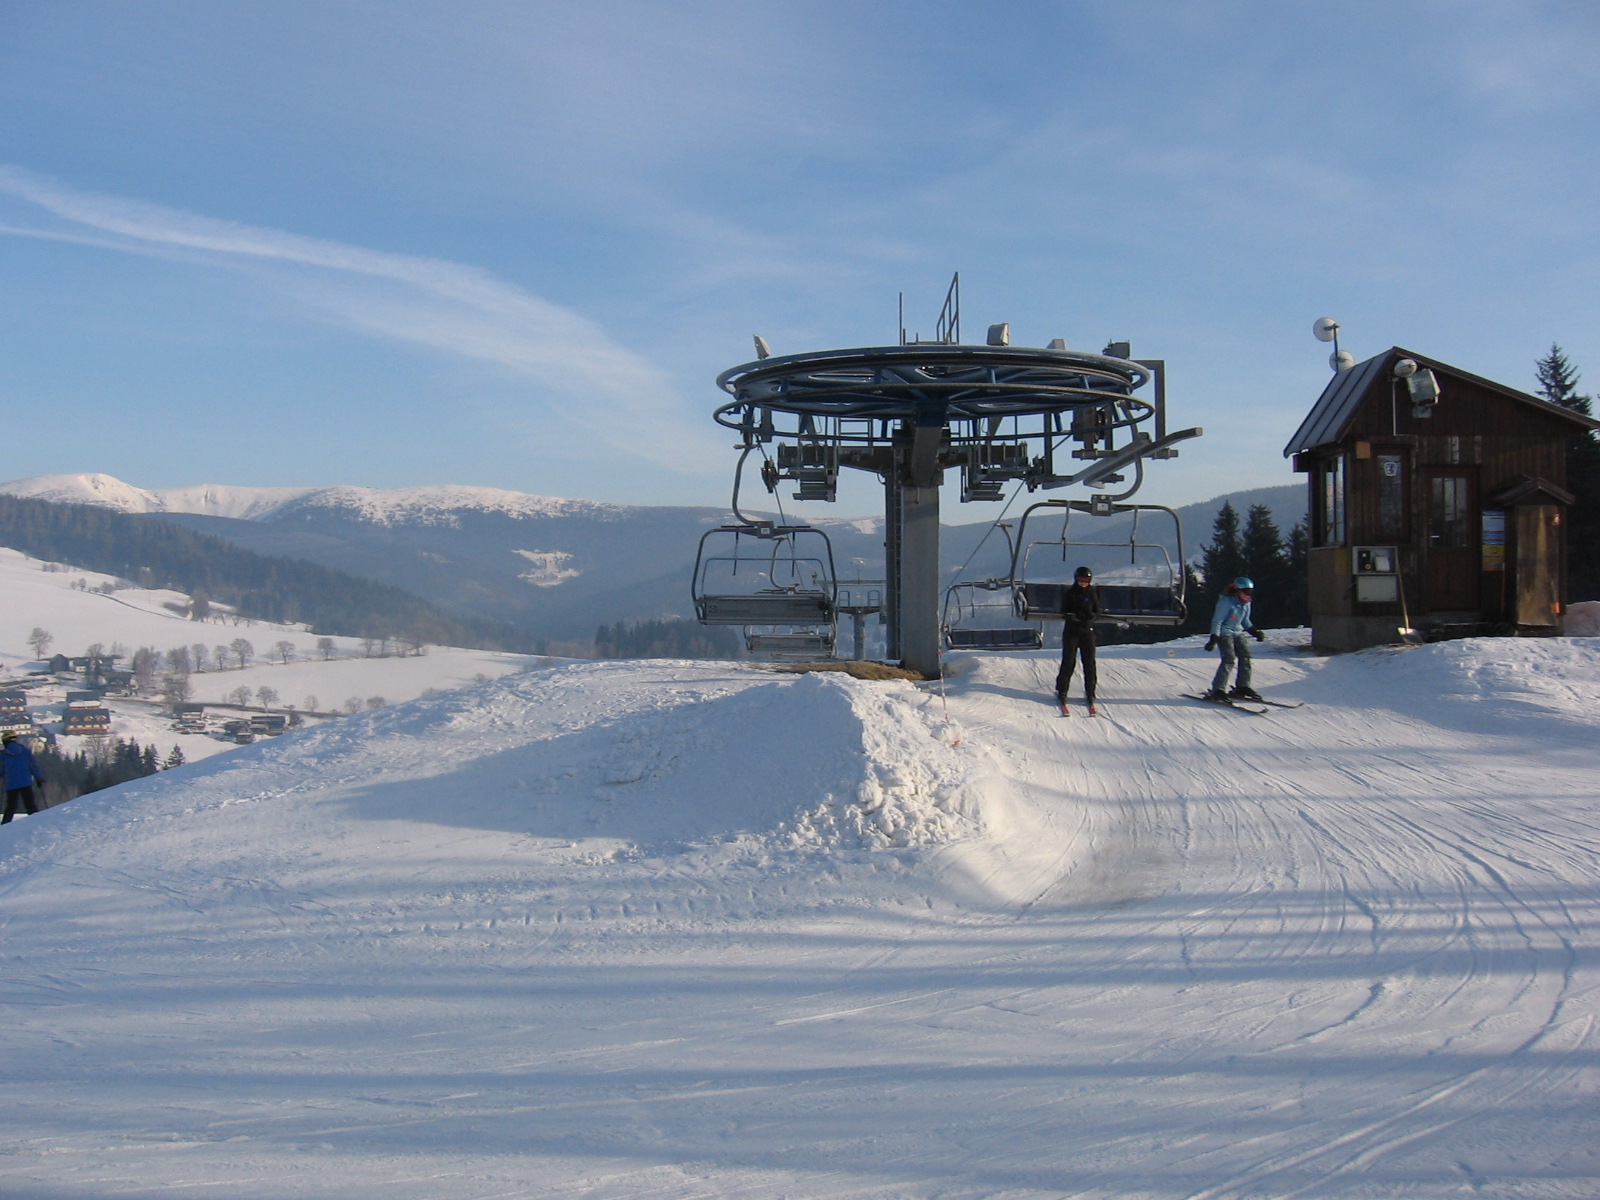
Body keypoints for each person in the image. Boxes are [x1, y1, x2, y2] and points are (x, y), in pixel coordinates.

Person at [1205, 576, 1267, 701]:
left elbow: (1245, 620)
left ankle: (1243, 686)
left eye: (1250, 592)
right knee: (1229, 659)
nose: (1248, 595)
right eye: (1246, 592)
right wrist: (1214, 637)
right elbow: (1217, 621)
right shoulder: (1226, 602)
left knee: (1245, 656)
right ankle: (1218, 689)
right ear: (1237, 591)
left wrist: (1255, 632)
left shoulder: (1246, 603)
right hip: (1225, 633)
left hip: (1237, 632)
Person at [1056, 565, 1100, 715]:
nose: (1083, 583)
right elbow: (1063, 611)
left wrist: (1092, 616)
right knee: (1068, 662)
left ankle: (1090, 692)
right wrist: (1072, 616)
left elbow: (1097, 610)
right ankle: (1062, 691)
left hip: (1087, 632)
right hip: (1072, 632)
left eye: (1086, 580)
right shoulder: (1070, 593)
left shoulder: (1092, 593)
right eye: (1081, 580)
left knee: (1089, 663)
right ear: (1076, 579)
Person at [2, 731, 44, 824]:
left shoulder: (3, 754)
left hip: (11, 784)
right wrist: (38, 778)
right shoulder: (25, 751)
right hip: (26, 782)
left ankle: (4, 827)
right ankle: (38, 823)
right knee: (30, 805)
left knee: (11, 807)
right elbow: (33, 765)